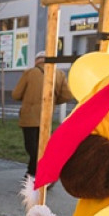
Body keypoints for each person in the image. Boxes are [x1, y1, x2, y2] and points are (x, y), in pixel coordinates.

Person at [11, 51, 73, 180]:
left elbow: (16, 95)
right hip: (46, 117)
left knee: (32, 148)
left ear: (37, 60)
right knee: (42, 147)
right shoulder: (60, 74)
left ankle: (36, 174)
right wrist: (53, 101)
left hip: (29, 117)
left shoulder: (30, 73)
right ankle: (33, 173)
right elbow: (67, 95)